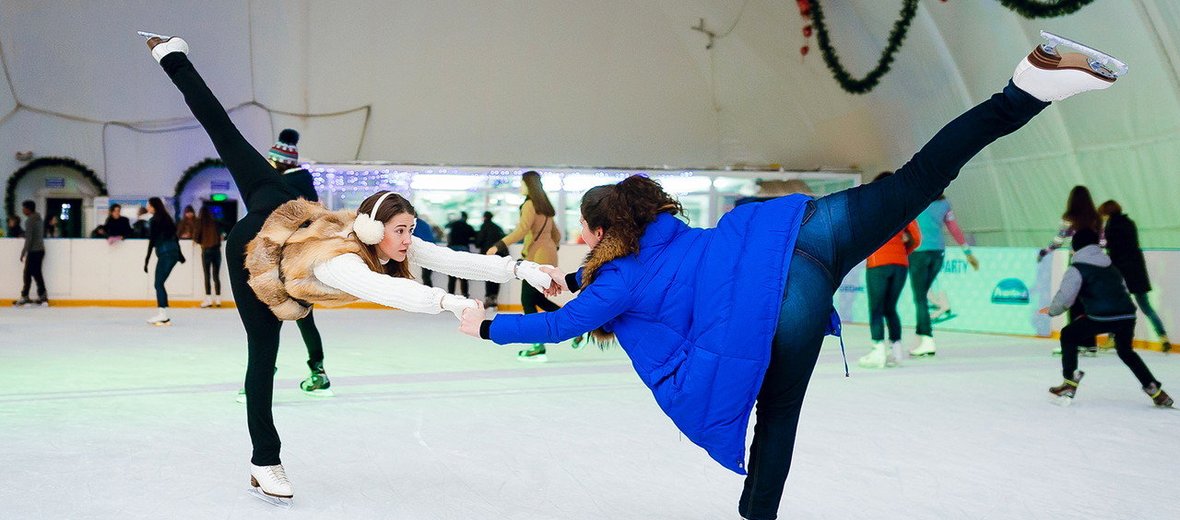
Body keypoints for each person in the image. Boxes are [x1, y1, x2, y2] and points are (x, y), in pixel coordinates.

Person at [460, 36, 1124, 519]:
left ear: (603, 232)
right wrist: (573, 283)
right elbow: (648, 279)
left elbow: (564, 324)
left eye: (584, 230)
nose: (579, 240)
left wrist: (486, 323)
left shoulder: (617, 282)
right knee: (924, 175)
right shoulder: (671, 234)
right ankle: (1026, 89)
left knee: (776, 421)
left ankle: (759, 516)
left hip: (786, 303)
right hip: (798, 231)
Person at [146, 34, 559, 505]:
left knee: (224, 134)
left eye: (411, 229)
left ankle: (171, 54)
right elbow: (393, 294)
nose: (408, 240)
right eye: (402, 230)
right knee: (263, 351)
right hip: (256, 254)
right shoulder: (343, 263)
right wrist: (451, 302)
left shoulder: (388, 241)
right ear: (375, 228)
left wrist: (523, 269)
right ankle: (265, 460)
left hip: (285, 208)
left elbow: (449, 258)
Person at [1041, 229, 1172, 407]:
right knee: (1126, 352)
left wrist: (1052, 311)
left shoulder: (1077, 267)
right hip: (1127, 315)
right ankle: (1155, 390)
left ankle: (1069, 382)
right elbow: (1123, 289)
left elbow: (1065, 297)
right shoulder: (1111, 266)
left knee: (1068, 334)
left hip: (1101, 316)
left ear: (1076, 246)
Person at [485, 170, 564, 361]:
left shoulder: (529, 205)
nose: (520, 187)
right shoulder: (545, 207)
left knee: (528, 301)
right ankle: (577, 325)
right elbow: (557, 235)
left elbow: (522, 230)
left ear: (529, 185)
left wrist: (499, 245)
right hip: (549, 254)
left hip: (536, 258)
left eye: (522, 183)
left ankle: (537, 345)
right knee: (539, 299)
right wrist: (550, 248)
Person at [858, 172, 921, 369]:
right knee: (890, 308)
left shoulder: (872, 206)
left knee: (876, 309)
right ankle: (896, 351)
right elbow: (916, 238)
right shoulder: (904, 205)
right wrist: (904, 252)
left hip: (878, 263)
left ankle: (878, 351)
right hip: (900, 264)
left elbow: (862, 233)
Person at [908, 193, 980, 357]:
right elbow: (953, 227)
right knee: (922, 296)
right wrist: (967, 252)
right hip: (938, 252)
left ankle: (927, 340)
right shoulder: (944, 203)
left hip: (919, 252)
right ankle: (921, 337)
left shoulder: (916, 197)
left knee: (920, 298)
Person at [1099, 200, 1170, 352]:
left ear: (1106, 213)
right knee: (1146, 307)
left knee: (1116, 308)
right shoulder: (1130, 223)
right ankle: (1163, 337)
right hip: (1137, 272)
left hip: (1121, 273)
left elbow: (1111, 249)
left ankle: (1112, 339)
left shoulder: (1111, 226)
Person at [144, 197, 185, 325]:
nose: (147, 207)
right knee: (159, 283)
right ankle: (163, 314)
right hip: (171, 253)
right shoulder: (167, 218)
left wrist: (146, 260)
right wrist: (179, 254)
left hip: (165, 253)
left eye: (148, 205)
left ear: (153, 206)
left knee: (158, 284)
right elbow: (175, 237)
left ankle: (163, 315)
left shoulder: (154, 220)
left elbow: (152, 240)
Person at [14, 200, 47, 306]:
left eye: (24, 208)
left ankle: (26, 296)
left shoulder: (30, 221)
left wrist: (23, 252)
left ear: (28, 209)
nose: (23, 210)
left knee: (28, 273)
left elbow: (29, 239)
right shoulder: (38, 218)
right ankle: (42, 295)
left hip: (34, 250)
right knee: (36, 273)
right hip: (40, 250)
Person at [192, 206, 223, 308]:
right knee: (216, 275)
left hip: (206, 251)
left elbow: (196, 237)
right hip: (217, 251)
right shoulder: (215, 222)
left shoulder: (200, 222)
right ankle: (218, 300)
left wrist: (201, 241)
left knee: (207, 275)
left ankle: (208, 299)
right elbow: (220, 236)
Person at [475, 211, 508, 307]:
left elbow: (478, 241)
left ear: (484, 217)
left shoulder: (484, 226)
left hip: (489, 254)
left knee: (489, 276)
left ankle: (489, 297)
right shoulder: (498, 227)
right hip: (500, 255)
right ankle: (494, 298)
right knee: (497, 276)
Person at [444, 211, 477, 297]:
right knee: (463, 275)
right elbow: (475, 236)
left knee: (451, 275)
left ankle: (450, 296)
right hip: (463, 250)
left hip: (452, 250)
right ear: (466, 218)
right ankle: (465, 295)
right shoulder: (468, 226)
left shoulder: (453, 224)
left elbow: (446, 230)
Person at [412, 216, 437, 287]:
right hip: (431, 250)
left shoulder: (415, 224)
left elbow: (414, 237)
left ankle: (430, 294)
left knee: (425, 277)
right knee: (426, 276)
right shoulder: (424, 223)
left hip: (425, 251)